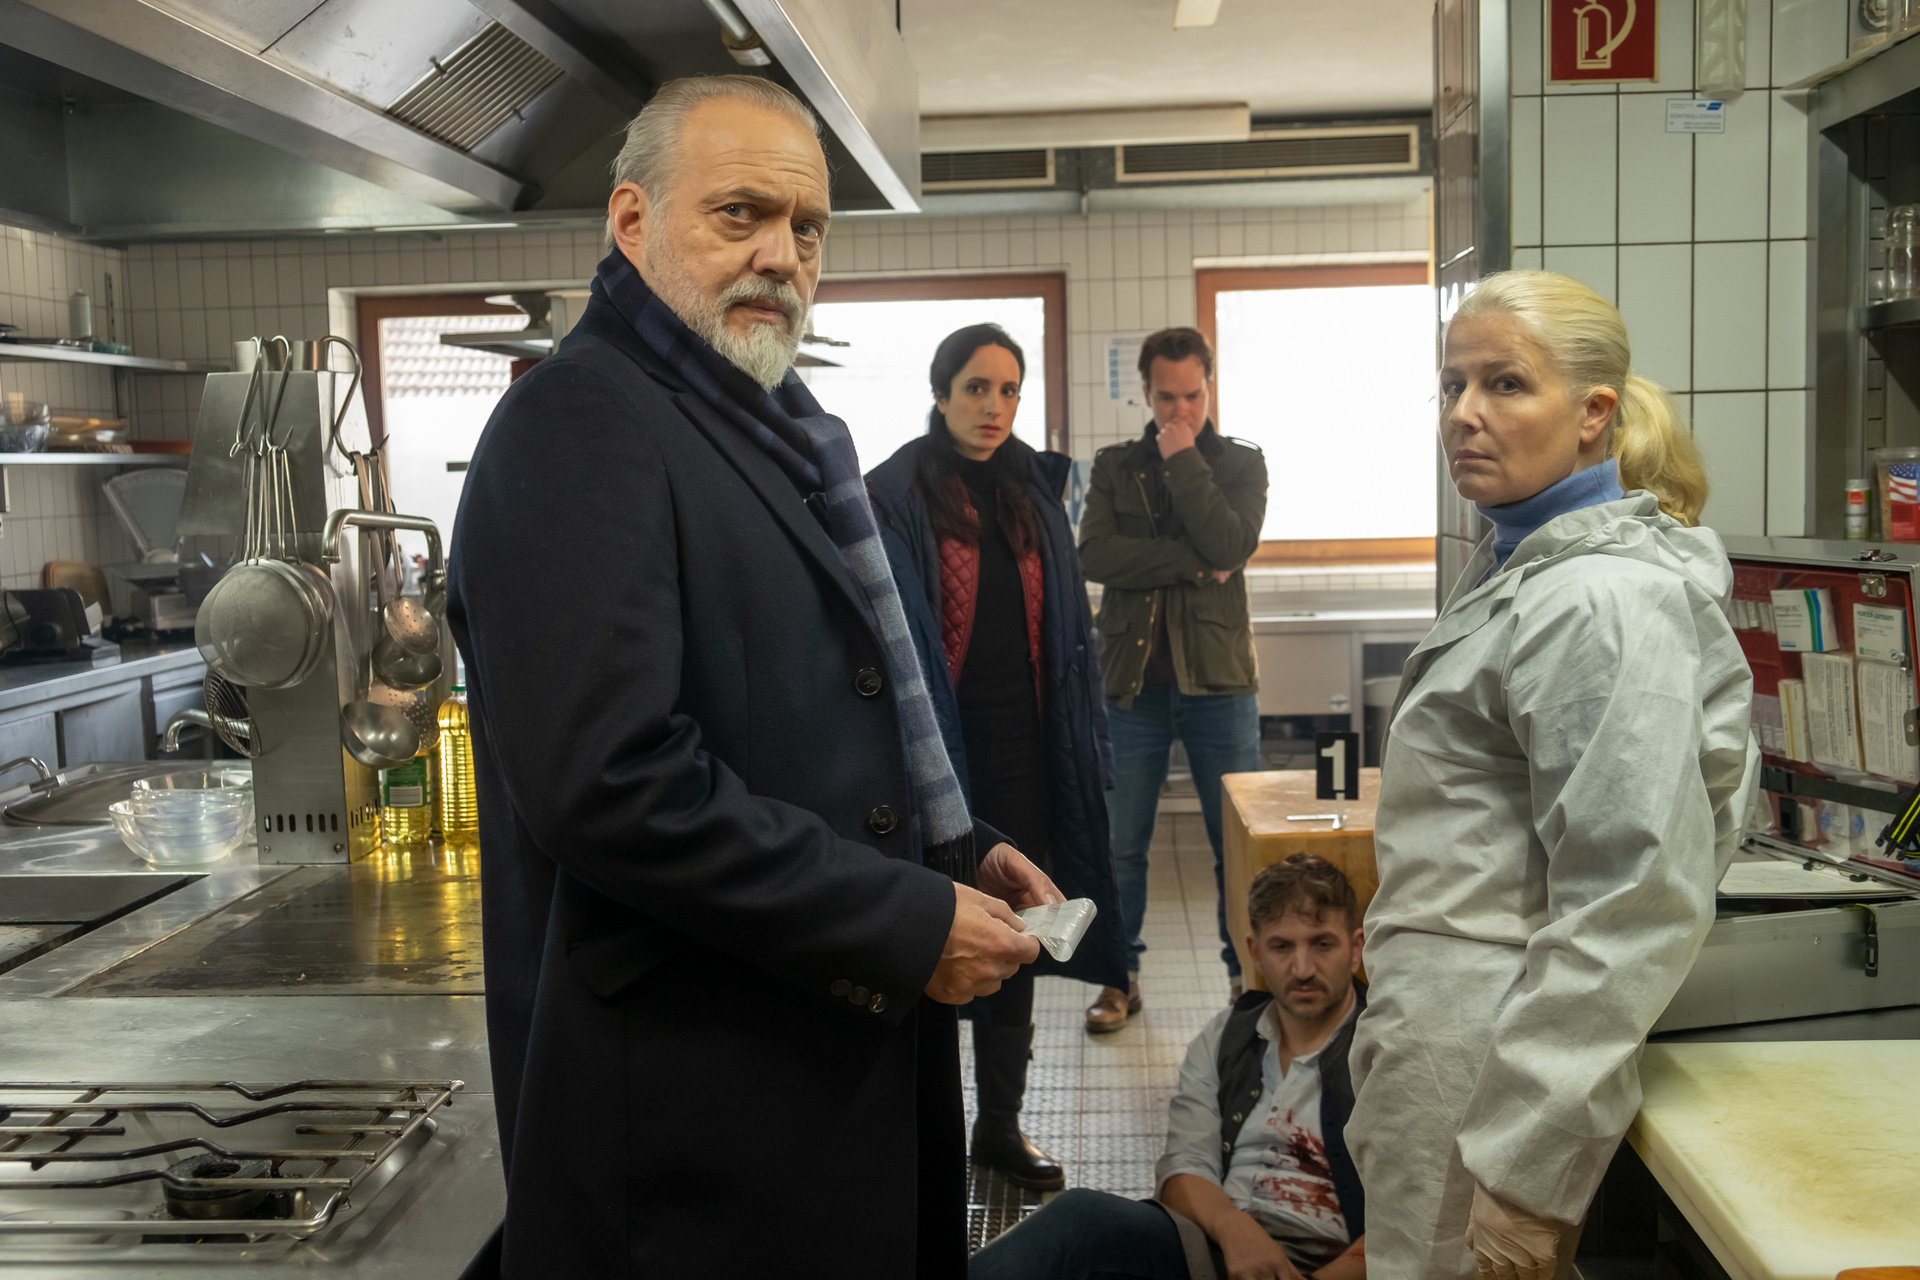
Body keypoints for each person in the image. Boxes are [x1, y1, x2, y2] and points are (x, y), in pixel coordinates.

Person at [446, 76, 1063, 1279]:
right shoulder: (580, 425)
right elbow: (613, 781)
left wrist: (950, 848)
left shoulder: (765, 422)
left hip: (805, 1069)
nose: (782, 254)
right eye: (739, 214)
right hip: (698, 1118)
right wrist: (898, 918)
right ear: (633, 221)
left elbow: (799, 716)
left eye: (807, 226)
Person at [1346, 270, 1758, 1280]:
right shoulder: (1526, 562)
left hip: (1492, 1062)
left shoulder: (1600, 602)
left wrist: (1529, 1163)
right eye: (1452, 385)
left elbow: (1630, 903)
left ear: (1593, 413)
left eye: (1505, 384)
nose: (1463, 414)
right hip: (1450, 1037)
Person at [867, 324, 1130, 1190]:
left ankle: (1001, 1126)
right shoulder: (895, 490)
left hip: (1026, 751)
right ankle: (917, 1128)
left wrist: (1086, 745)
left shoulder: (1034, 489)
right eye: (977, 388)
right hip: (933, 755)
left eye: (1009, 390)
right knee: (927, 932)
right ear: (941, 393)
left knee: (1016, 931)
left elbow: (1070, 634)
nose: (994, 406)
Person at [968, 853, 1370, 1280]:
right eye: (1282, 947)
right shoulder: (1226, 1037)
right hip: (1225, 1249)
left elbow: (1412, 1218)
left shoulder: (1384, 1049)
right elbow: (1184, 1170)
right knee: (1082, 1221)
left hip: (1340, 1265)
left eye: (1322, 944)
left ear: (1356, 949)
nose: (1303, 969)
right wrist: (1232, 1228)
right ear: (1254, 952)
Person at [1079, 327, 1268, 1030]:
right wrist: (1192, 563)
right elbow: (1095, 555)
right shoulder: (1115, 467)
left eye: (1192, 395)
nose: (1180, 409)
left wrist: (1184, 458)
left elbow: (1230, 542)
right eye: (1166, 398)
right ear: (1146, 391)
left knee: (1237, 846)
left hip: (1219, 684)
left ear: (1208, 386)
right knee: (1120, 845)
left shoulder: (1242, 464)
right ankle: (1117, 979)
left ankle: (1246, 981)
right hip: (1131, 686)